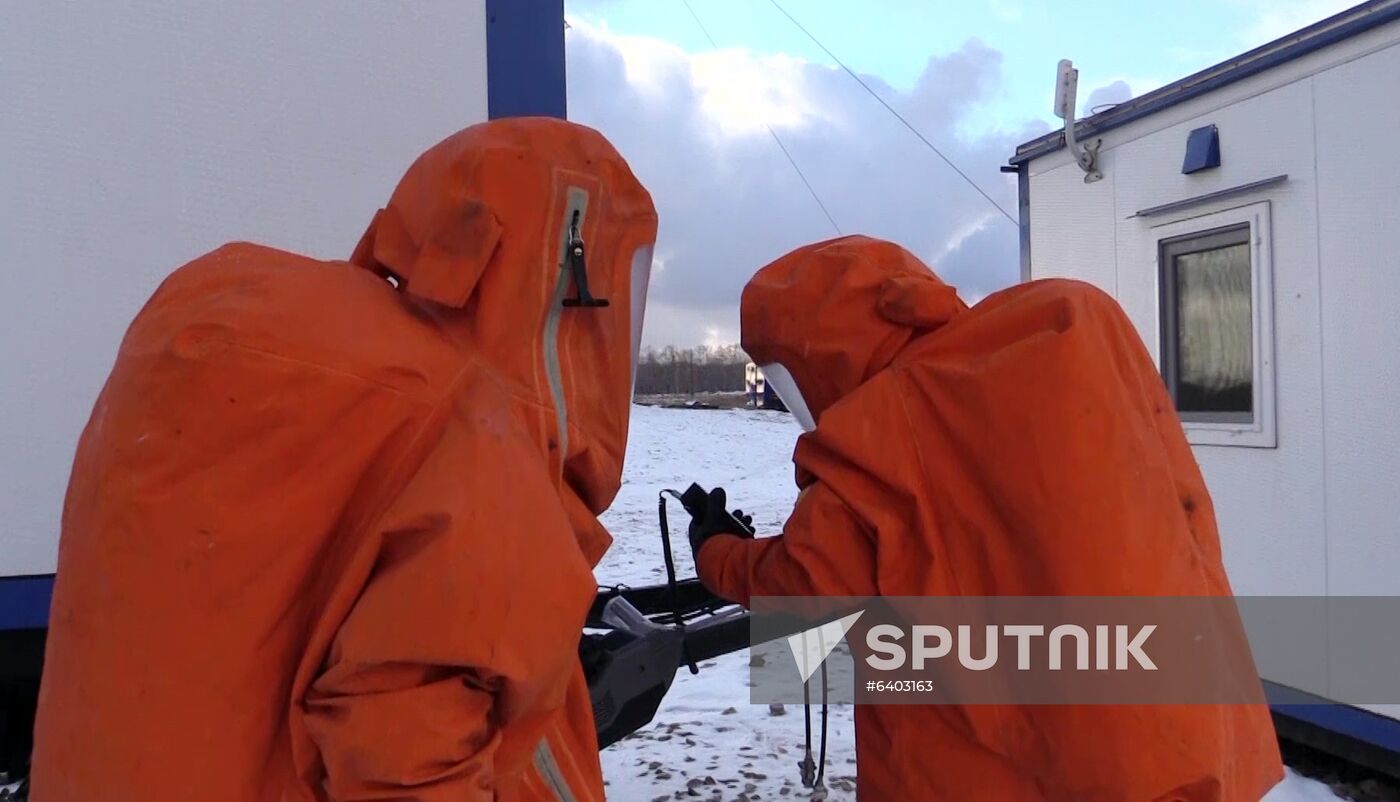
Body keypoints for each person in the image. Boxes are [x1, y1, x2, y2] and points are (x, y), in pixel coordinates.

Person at [31, 118, 658, 802]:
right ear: (568, 288)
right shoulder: (470, 446)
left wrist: (723, 559)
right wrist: (725, 558)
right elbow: (408, 760)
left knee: (798, 665)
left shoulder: (341, 391)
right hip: (795, 646)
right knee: (799, 666)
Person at [688, 235, 1284, 801]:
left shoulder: (878, 429)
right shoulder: (1073, 322)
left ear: (820, 355)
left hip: (987, 770)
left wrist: (716, 550)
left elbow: (806, 584)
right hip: (1182, 731)